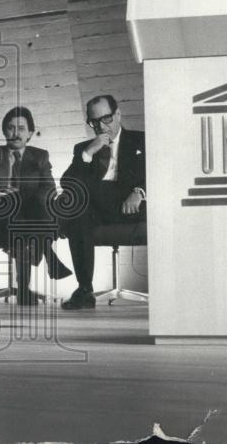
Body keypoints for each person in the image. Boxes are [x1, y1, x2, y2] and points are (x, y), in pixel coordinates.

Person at [0, 106, 72, 305]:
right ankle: (50, 257)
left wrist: (30, 197)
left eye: (21, 128)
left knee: (30, 212)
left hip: (30, 214)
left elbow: (49, 188)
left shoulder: (40, 156)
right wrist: (3, 194)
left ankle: (23, 289)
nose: (15, 133)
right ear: (4, 131)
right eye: (10, 128)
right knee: (18, 208)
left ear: (30, 133)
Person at [59, 95, 145, 310]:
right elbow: (68, 182)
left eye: (105, 119)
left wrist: (140, 191)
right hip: (94, 209)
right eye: (93, 122)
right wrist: (88, 154)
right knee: (76, 208)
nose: (100, 126)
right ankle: (85, 289)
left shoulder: (141, 140)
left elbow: (160, 172)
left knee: (70, 205)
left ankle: (52, 227)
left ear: (117, 114)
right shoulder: (84, 149)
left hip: (130, 205)